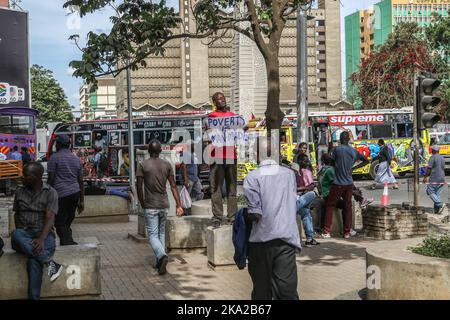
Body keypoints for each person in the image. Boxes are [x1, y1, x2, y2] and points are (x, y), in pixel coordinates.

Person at [243, 137, 301, 300]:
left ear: (256, 153)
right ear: (275, 153)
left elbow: (256, 213)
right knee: (287, 291)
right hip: (286, 240)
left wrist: (243, 216)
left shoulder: (252, 177)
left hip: (262, 242)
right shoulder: (289, 175)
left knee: (262, 292)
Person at [11, 162, 63, 300]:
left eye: (26, 175)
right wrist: (23, 237)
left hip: (44, 235)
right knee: (16, 234)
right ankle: (49, 263)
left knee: (33, 262)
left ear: (38, 176)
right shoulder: (19, 192)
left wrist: (41, 239)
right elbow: (16, 214)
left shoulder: (51, 193)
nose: (22, 177)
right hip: (24, 235)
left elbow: (50, 217)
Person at [136, 139, 184, 275]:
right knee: (161, 233)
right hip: (164, 205)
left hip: (150, 205)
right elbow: (173, 186)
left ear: (149, 151)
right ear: (160, 151)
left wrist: (142, 202)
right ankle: (159, 261)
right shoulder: (167, 165)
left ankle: (162, 256)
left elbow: (139, 186)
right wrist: (179, 205)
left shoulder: (142, 165)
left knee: (152, 235)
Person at [322, 131, 369, 239]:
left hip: (338, 182)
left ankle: (327, 231)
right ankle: (347, 232)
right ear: (348, 139)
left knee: (330, 205)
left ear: (340, 139)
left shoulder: (337, 150)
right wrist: (353, 168)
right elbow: (366, 160)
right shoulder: (353, 151)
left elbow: (332, 162)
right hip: (349, 183)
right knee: (348, 207)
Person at [207, 92, 238, 227]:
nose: (221, 100)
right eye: (218, 99)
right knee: (216, 188)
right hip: (217, 156)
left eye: (223, 98)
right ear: (214, 103)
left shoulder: (233, 116)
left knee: (232, 188)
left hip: (231, 155)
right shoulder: (211, 116)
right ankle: (217, 217)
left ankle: (232, 216)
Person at [47, 134, 85, 246]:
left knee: (59, 222)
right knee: (68, 219)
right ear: (69, 145)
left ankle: (67, 242)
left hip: (60, 195)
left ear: (57, 145)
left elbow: (51, 179)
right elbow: (81, 181)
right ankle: (68, 240)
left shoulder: (54, 158)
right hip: (75, 194)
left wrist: (46, 195)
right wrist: (82, 200)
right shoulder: (76, 159)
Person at [293, 155, 320, 247]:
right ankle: (310, 239)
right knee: (312, 194)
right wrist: (304, 188)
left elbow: (311, 186)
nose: (306, 162)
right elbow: (293, 189)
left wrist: (304, 189)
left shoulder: (304, 172)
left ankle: (309, 239)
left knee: (306, 212)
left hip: (299, 199)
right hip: (292, 201)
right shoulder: (291, 175)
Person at [423, 145, 446, 214]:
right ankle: (437, 210)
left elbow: (429, 169)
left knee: (430, 191)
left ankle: (440, 204)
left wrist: (425, 177)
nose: (431, 151)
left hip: (434, 178)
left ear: (433, 150)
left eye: (431, 150)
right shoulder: (442, 157)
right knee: (437, 194)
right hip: (442, 178)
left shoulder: (432, 158)